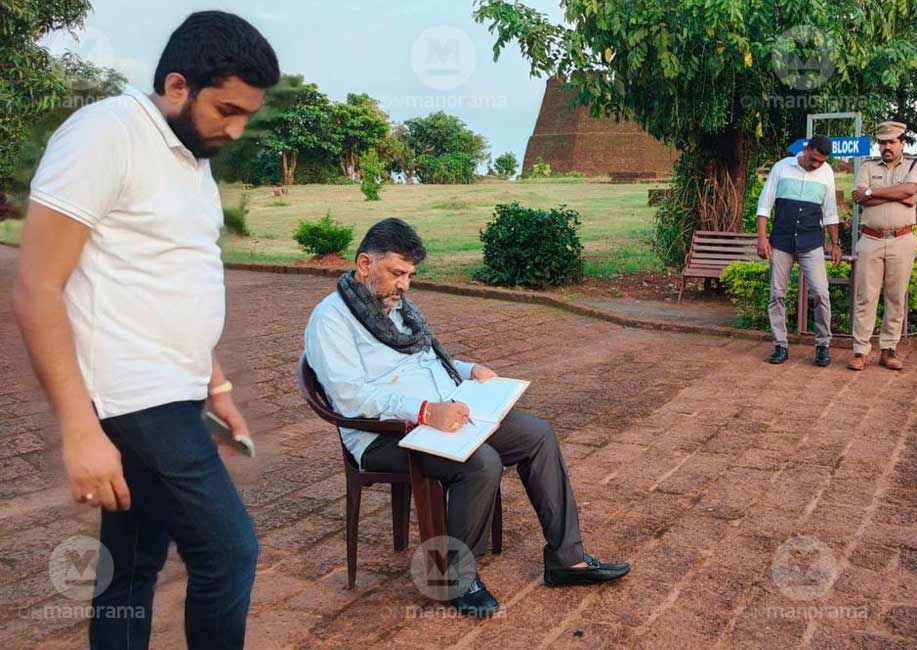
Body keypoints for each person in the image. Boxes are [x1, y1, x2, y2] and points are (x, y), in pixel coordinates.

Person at [11, 12, 279, 650]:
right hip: (133, 398)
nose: (236, 128)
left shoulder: (192, 157)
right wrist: (80, 431)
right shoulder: (104, 134)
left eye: (247, 114)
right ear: (179, 85)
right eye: (227, 109)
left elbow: (178, 280)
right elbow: (36, 287)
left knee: (131, 571)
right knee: (230, 552)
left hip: (174, 392)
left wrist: (217, 389)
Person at [303, 219, 630, 618]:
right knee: (481, 463)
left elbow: (424, 361)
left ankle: (566, 560)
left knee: (538, 435)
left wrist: (469, 368)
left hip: (446, 412)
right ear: (365, 264)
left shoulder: (395, 308)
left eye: (410, 275)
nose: (404, 285)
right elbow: (350, 398)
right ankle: (455, 579)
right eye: (396, 273)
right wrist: (425, 412)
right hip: (383, 437)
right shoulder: (330, 320)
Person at [755, 135, 842, 366]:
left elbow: (830, 212)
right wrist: (762, 238)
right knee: (777, 294)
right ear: (807, 149)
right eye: (813, 159)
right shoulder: (781, 168)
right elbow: (764, 205)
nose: (816, 165)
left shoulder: (827, 173)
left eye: (821, 162)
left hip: (811, 242)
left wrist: (835, 243)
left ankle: (823, 345)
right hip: (781, 241)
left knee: (821, 293)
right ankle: (780, 345)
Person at [848, 121, 917, 371]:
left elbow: (912, 189)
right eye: (882, 142)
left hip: (902, 240)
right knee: (865, 297)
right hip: (870, 239)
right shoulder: (867, 166)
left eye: (891, 142)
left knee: (895, 297)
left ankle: (888, 350)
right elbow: (860, 197)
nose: (886, 147)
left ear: (902, 143)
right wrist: (899, 195)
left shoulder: (916, 164)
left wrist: (873, 192)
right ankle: (860, 351)